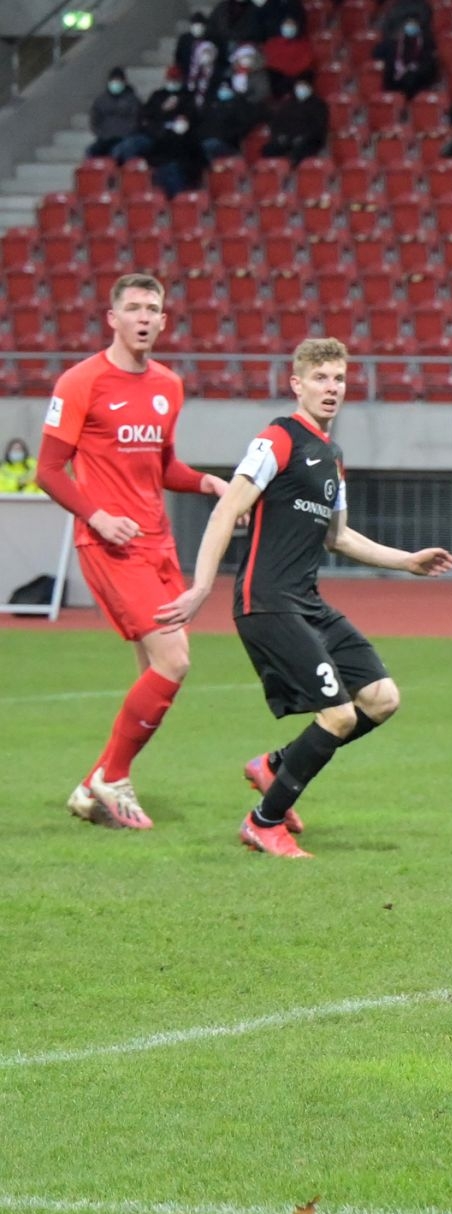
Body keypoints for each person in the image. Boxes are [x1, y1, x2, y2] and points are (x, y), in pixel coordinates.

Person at [157, 338, 452, 859]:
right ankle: (263, 822)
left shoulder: (332, 458)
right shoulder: (277, 438)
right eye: (320, 378)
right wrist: (201, 586)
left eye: (338, 379)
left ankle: (275, 766)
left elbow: (338, 537)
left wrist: (406, 560)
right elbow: (227, 509)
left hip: (307, 602)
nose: (331, 388)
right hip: (267, 602)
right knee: (338, 716)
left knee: (381, 699)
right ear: (297, 384)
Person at [34, 274, 229, 830]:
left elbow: (163, 467)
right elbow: (49, 470)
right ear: (113, 317)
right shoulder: (81, 381)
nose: (144, 317)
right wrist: (96, 515)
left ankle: (90, 786)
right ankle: (114, 779)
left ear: (164, 321)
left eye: (153, 309)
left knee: (157, 672)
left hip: (158, 543)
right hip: (109, 544)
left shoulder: (169, 384)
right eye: (135, 308)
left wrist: (206, 482)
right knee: (175, 661)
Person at [261, 75, 329, 166]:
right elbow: (277, 122)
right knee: (269, 149)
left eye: (303, 85)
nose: (300, 88)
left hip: (308, 140)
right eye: (298, 85)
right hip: (287, 138)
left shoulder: (318, 105)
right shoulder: (289, 104)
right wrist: (279, 136)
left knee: (299, 151)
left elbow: (318, 127)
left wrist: (303, 138)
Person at [375, 16, 441, 98]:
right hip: (394, 85)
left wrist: (411, 72)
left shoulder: (427, 45)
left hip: (417, 85)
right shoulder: (392, 45)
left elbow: (429, 70)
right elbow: (377, 55)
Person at [147, 112, 208, 198]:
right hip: (165, 170)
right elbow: (151, 158)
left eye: (183, 120)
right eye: (178, 120)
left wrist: (186, 165)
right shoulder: (164, 139)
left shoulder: (193, 140)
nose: (180, 123)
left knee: (174, 171)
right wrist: (166, 162)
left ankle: (177, 199)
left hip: (186, 173)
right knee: (169, 171)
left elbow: (202, 161)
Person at [200, 79, 263, 160]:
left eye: (226, 87)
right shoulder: (213, 105)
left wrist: (230, 136)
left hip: (229, 142)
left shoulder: (237, 104)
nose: (223, 90)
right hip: (211, 140)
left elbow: (244, 124)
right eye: (221, 87)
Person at [87, 69, 142, 159]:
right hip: (105, 138)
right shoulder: (101, 100)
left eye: (118, 81)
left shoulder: (132, 100)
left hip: (125, 138)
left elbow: (136, 120)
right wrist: (103, 134)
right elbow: (94, 120)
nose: (115, 84)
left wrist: (123, 133)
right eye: (113, 81)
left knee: (119, 150)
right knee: (90, 151)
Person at [262, 14, 316, 98]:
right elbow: (269, 62)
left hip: (297, 79)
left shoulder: (304, 45)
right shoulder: (272, 44)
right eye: (287, 24)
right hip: (278, 80)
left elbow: (306, 63)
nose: (289, 27)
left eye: (292, 24)